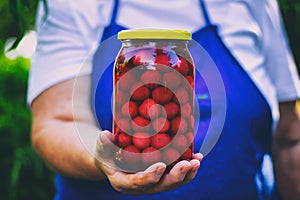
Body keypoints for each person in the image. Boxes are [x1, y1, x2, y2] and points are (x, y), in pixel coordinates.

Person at [28, 0, 300, 199]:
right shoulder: (71, 5)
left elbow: (290, 135)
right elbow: (56, 120)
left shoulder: (257, 4)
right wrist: (104, 158)